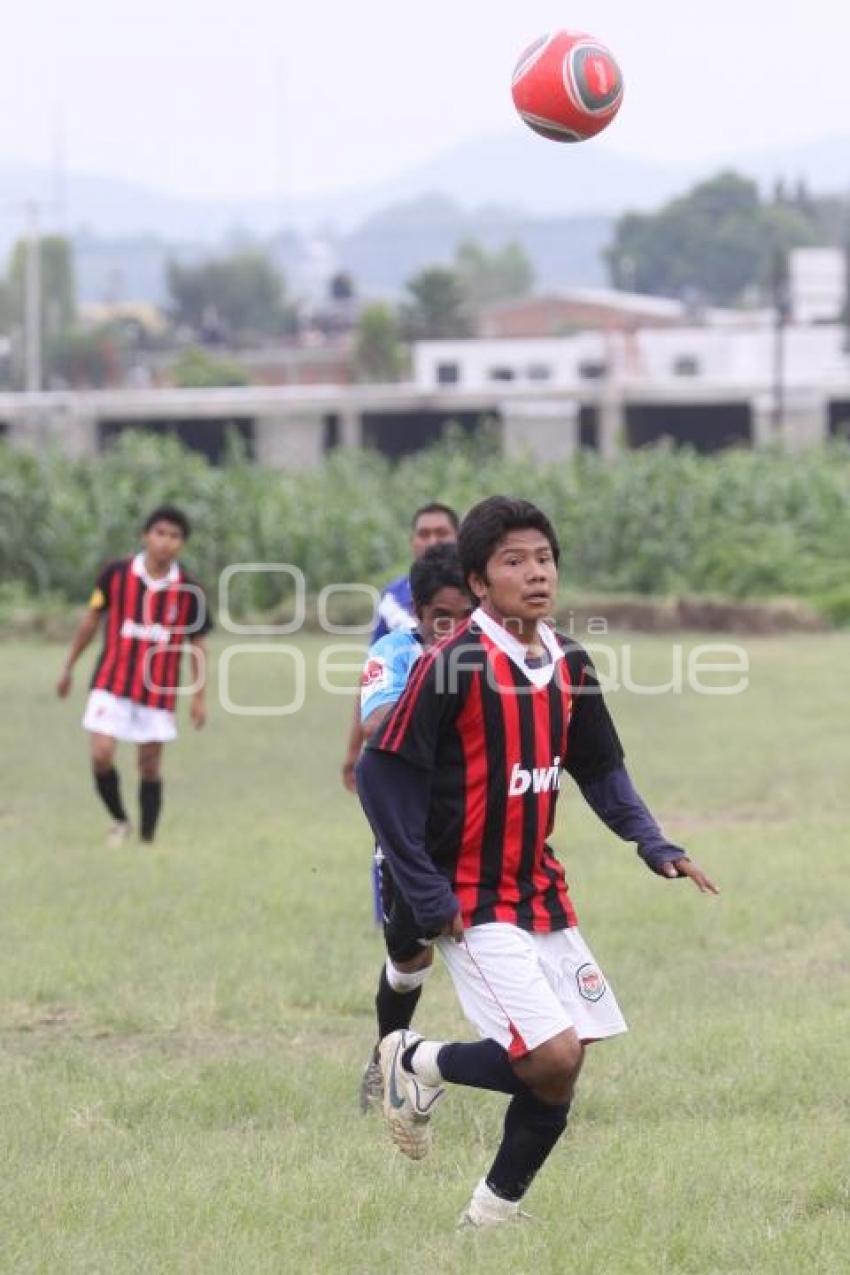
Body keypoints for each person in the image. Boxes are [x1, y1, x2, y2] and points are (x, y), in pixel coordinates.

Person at [357, 496, 718, 1226]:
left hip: (538, 888)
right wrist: (426, 890)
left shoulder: (568, 662)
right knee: (550, 1056)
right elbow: (380, 772)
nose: (536, 572)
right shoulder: (454, 663)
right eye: (514, 561)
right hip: (469, 894)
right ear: (481, 583)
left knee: (564, 1060)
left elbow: (601, 766)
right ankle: (417, 1059)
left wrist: (655, 842)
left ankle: (485, 1221)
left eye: (545, 557)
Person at [357, 543, 473, 1111]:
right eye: (442, 619)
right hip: (411, 838)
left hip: (480, 829)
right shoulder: (396, 652)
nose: (455, 630)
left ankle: (537, 1075)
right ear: (420, 614)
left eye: (467, 617)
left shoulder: (493, 654)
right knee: (410, 962)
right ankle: (385, 1054)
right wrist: (433, 698)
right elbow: (378, 723)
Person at [56, 505, 212, 845]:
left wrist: (199, 696)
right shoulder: (115, 574)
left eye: (174, 536)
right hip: (111, 682)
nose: (165, 542)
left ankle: (147, 839)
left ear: (181, 544)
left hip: (158, 690)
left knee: (150, 765)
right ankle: (120, 819)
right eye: (160, 533)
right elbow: (90, 621)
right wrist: (68, 666)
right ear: (146, 535)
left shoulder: (190, 589)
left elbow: (198, 645)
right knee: (100, 753)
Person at [340, 502, 458, 792]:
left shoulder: (480, 591)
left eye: (441, 533)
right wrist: (354, 749)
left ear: (459, 537)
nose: (432, 541)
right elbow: (373, 672)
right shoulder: (392, 598)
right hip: (402, 740)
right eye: (424, 533)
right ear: (412, 541)